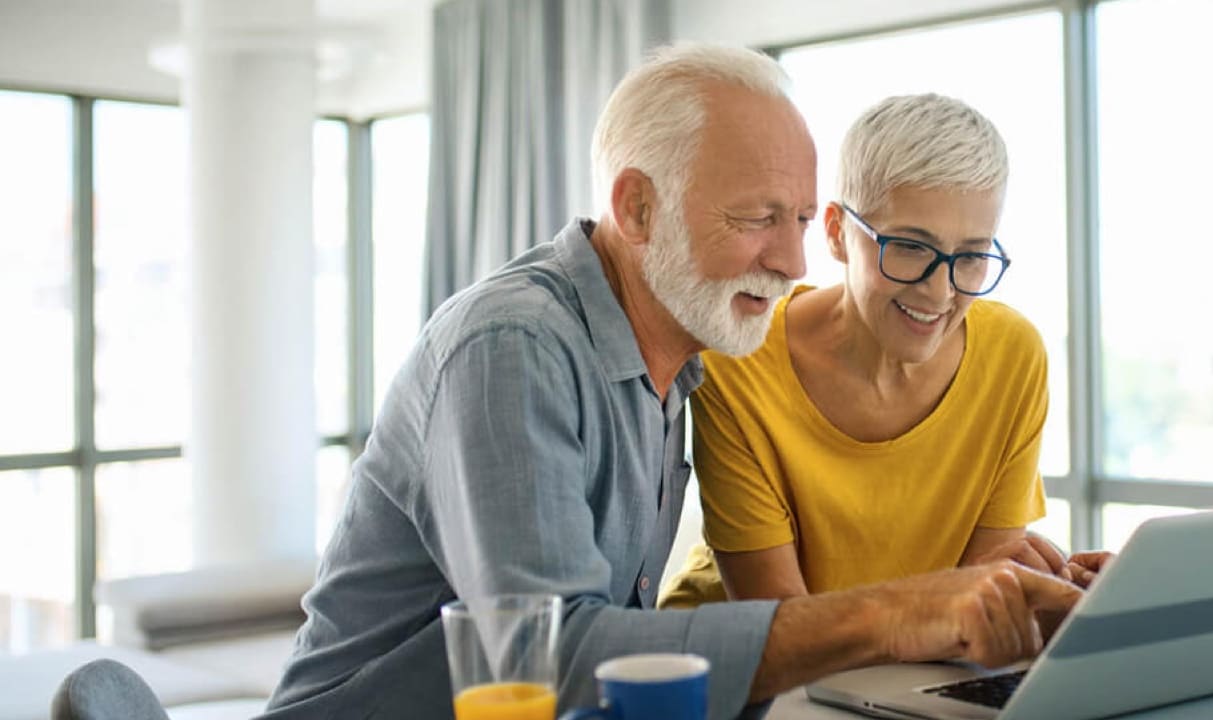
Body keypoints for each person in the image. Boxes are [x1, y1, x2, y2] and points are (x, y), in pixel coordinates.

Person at [260, 44, 1083, 720]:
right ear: (639, 209)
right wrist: (900, 612)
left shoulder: (682, 362)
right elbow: (556, 660)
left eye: (798, 222)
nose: (795, 263)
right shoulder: (514, 346)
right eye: (758, 218)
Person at [660, 94, 1097, 611]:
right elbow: (778, 627)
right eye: (910, 247)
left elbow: (976, 611)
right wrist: (958, 609)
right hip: (735, 676)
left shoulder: (1012, 357)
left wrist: (1063, 600)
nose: (940, 293)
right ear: (837, 234)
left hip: (902, 677)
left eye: (973, 256)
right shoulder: (740, 357)